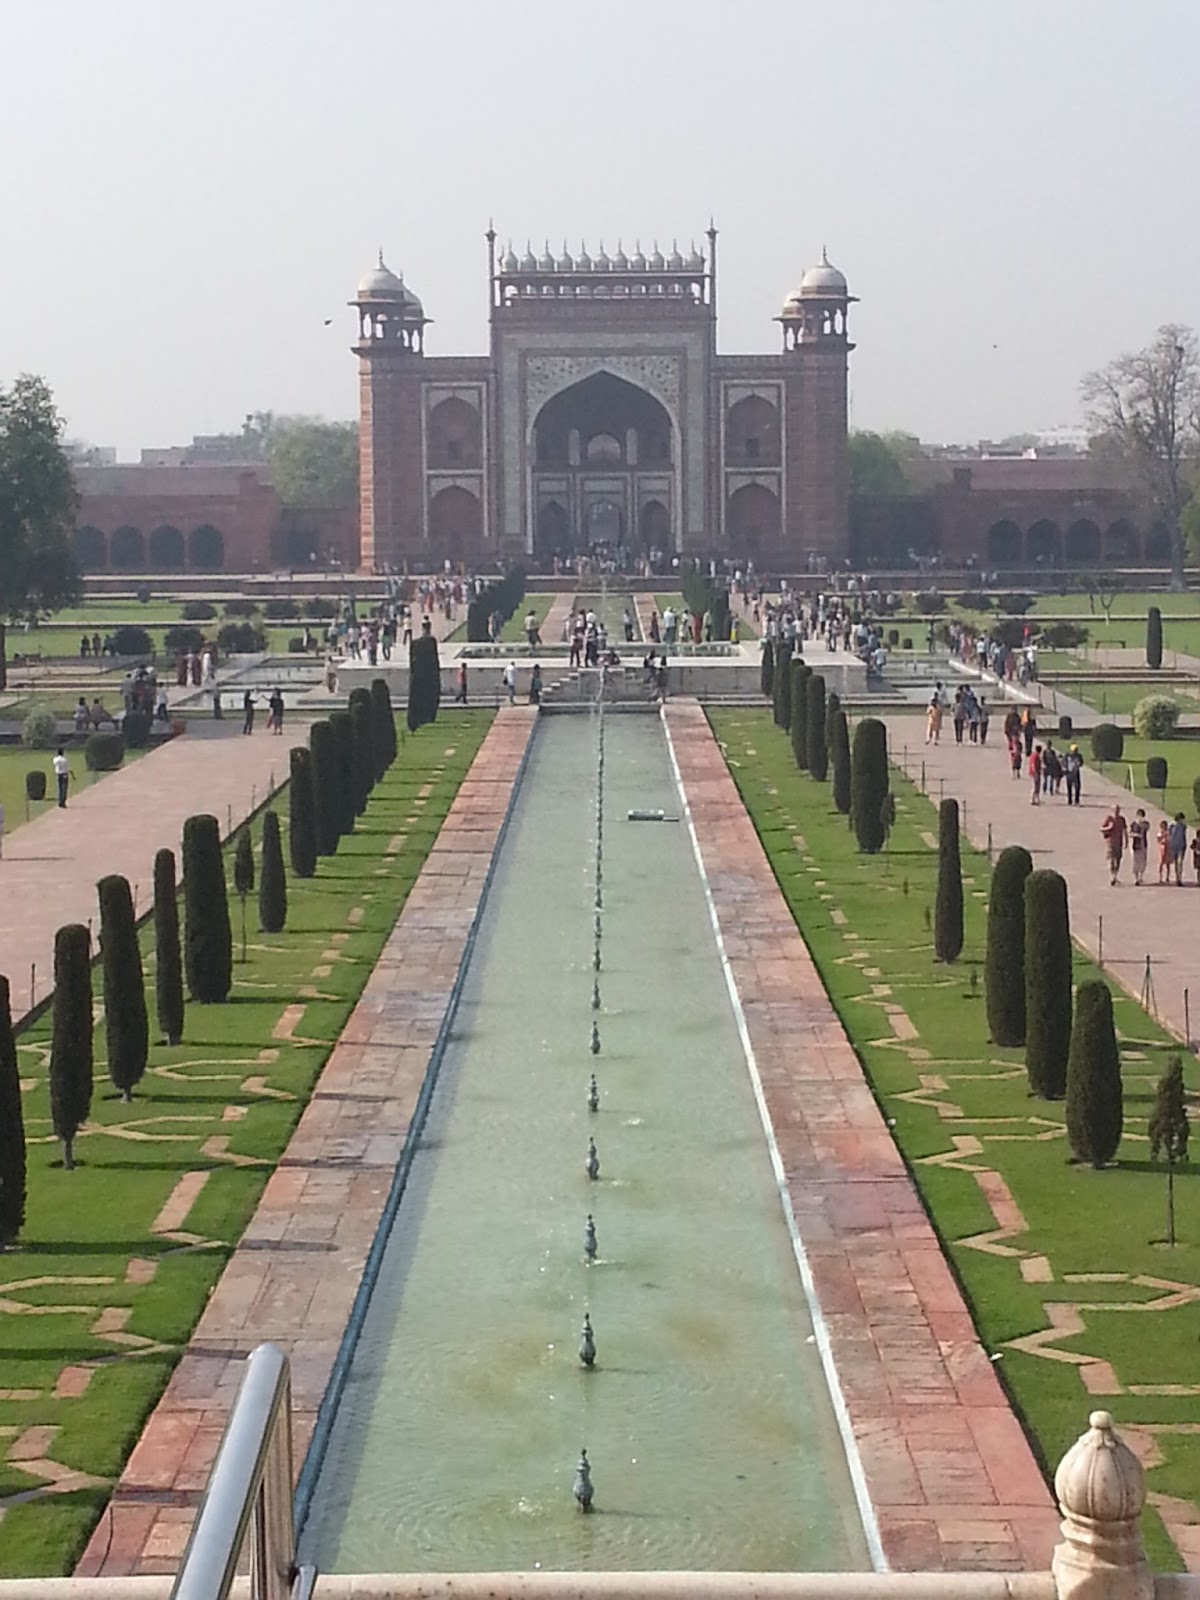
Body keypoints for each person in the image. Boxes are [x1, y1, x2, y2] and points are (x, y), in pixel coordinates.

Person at [1101, 803, 1127, 886]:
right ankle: (1112, 876)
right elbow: (1101, 829)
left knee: (1118, 859)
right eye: (1115, 810)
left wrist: (1126, 841)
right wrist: (1109, 827)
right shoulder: (1109, 818)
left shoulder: (1122, 819)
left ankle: (1115, 875)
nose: (1116, 812)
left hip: (1119, 842)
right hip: (1110, 842)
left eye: (1118, 810)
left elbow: (1125, 830)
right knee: (1111, 860)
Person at [1130, 808, 1150, 886]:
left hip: (1143, 845)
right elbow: (1130, 833)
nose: (1141, 817)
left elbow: (1147, 828)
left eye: (1142, 816)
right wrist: (1136, 835)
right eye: (1139, 815)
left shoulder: (1146, 824)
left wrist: (1142, 825)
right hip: (1136, 845)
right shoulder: (1133, 824)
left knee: (1143, 862)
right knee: (1135, 862)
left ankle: (1141, 876)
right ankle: (1136, 878)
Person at [1169, 812, 1188, 884]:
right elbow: (1170, 835)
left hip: (1181, 846)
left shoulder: (1183, 826)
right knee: (1176, 863)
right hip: (1173, 846)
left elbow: (1183, 836)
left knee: (1180, 862)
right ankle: (1177, 877)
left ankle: (1179, 878)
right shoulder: (1172, 826)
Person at [1157, 818, 1172, 884]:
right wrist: (1161, 837)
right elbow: (1158, 840)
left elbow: (1170, 839)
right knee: (1161, 862)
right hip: (1162, 848)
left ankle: (1167, 877)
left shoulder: (1168, 832)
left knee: (1167, 863)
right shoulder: (1160, 833)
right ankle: (1160, 877)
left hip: (1167, 848)